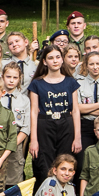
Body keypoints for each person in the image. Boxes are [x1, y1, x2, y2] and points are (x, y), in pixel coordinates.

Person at [27, 44, 77, 187]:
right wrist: (34, 140)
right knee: (45, 164)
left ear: (62, 60)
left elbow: (75, 110)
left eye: (57, 57)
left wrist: (77, 137)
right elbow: (34, 111)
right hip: (45, 124)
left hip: (65, 124)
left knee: (65, 162)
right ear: (44, 61)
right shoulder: (37, 83)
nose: (55, 61)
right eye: (50, 58)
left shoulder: (70, 82)